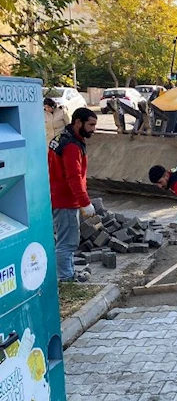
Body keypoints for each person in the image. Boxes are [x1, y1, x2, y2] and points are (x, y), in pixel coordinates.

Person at [48, 107, 98, 282]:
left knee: (65, 239)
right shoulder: (71, 146)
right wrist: (85, 202)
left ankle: (68, 273)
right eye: (91, 125)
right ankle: (66, 278)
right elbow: (74, 177)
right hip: (65, 201)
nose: (93, 129)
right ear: (78, 122)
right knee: (67, 242)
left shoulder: (62, 138)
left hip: (58, 197)